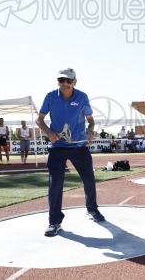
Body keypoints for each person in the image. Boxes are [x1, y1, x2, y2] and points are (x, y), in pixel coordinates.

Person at [36, 68, 104, 237]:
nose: (64, 84)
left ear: (75, 81)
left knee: (89, 180)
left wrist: (90, 131)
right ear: (58, 81)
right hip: (58, 146)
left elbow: (91, 121)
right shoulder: (50, 96)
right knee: (55, 184)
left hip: (79, 146)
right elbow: (40, 119)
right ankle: (54, 221)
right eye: (61, 80)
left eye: (68, 81)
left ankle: (92, 209)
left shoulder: (82, 97)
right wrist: (48, 132)